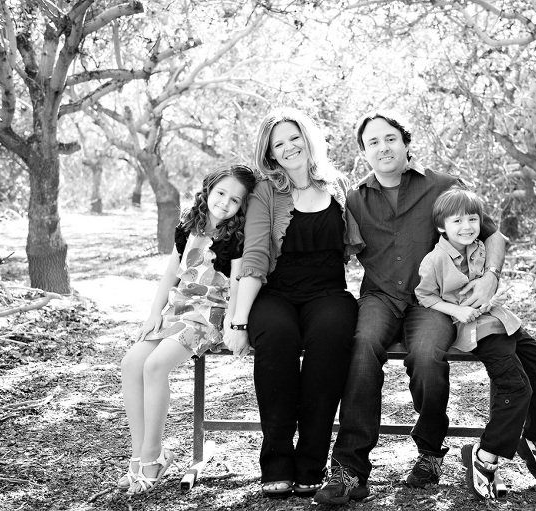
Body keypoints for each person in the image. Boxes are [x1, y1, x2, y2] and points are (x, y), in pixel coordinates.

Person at [315, 110, 506, 505]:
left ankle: (430, 451)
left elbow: (493, 235)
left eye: (390, 138)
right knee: (362, 348)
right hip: (380, 296)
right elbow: (330, 249)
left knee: (426, 355)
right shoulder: (354, 198)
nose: (383, 147)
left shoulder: (443, 186)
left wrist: (490, 276)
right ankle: (350, 470)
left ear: (405, 143)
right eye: (373, 142)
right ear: (364, 152)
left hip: (432, 300)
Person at [225, 107, 359, 498]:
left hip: (328, 293)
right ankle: (277, 461)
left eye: (294, 138)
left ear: (308, 138)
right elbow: (254, 257)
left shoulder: (338, 185)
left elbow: (362, 245)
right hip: (276, 293)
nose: (288, 148)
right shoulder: (266, 191)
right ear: (269, 154)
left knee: (332, 335)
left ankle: (311, 463)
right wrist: (238, 322)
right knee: (277, 337)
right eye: (278, 144)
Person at [414, 187, 536, 499]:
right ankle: (484, 455)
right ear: (441, 226)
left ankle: (533, 439)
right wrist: (457, 310)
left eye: (472, 219)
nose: (467, 226)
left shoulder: (480, 247)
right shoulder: (435, 260)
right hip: (476, 329)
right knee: (516, 386)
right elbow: (424, 296)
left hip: (500, 319)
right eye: (457, 221)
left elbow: (490, 273)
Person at [119, 164, 257, 494]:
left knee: (155, 366)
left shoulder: (236, 235)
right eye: (221, 193)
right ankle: (137, 457)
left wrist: (233, 322)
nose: (225, 203)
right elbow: (171, 273)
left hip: (209, 314)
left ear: (242, 206)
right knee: (131, 363)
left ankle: (153, 457)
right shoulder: (188, 224)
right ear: (208, 190)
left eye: (235, 200)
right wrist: (154, 313)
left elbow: (236, 282)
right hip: (178, 307)